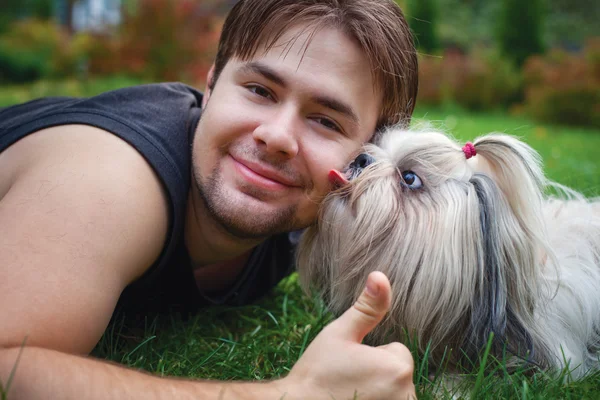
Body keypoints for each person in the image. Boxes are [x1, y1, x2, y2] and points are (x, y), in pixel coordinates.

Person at [0, 0, 419, 398]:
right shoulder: (106, 181)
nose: (276, 137)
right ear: (212, 82)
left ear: (369, 152)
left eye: (325, 120)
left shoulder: (315, 218)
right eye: (260, 90)